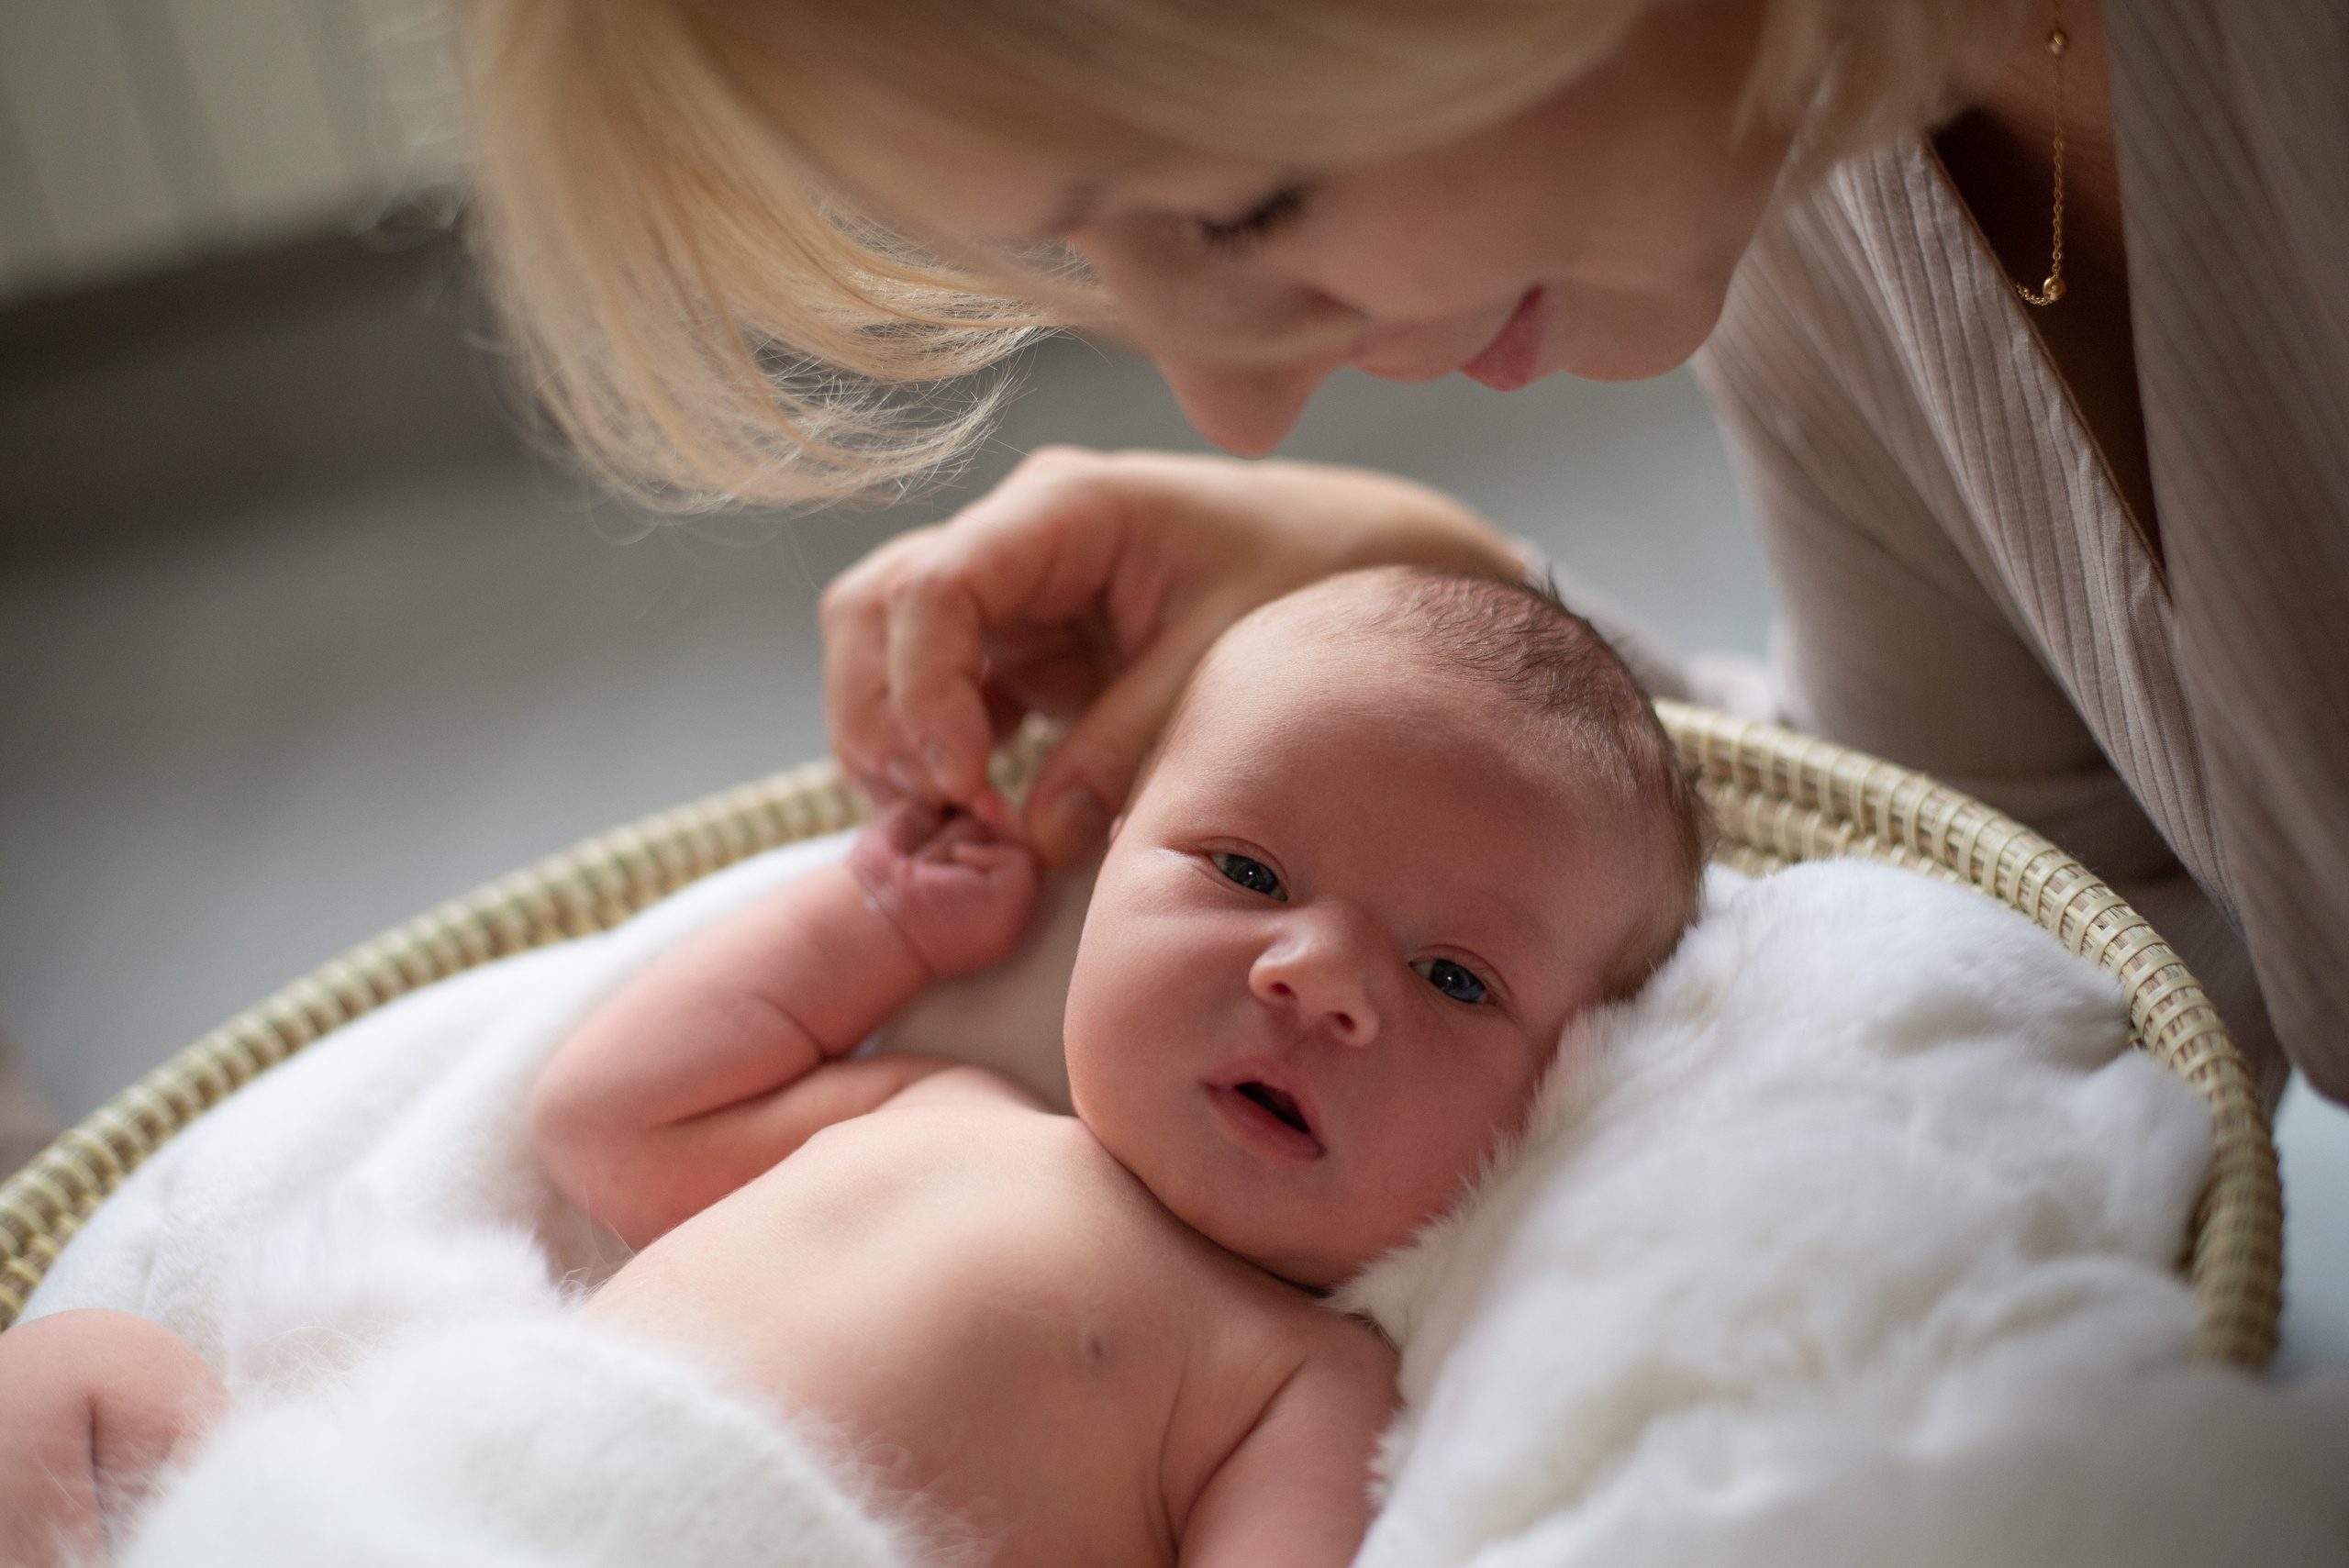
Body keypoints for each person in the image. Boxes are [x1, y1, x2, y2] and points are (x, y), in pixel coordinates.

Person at [455, 0, 2345, 1109]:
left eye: (1243, 202)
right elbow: (2026, 914)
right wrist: (1430, 619)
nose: (1231, 408)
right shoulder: (1809, 126)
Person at [0, 569, 1705, 1568]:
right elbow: (610, 1120)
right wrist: (873, 921)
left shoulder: (1298, 1377)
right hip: (394, 1494)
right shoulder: (944, 1105)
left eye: (1457, 976)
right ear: (1102, 863)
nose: (1315, 975)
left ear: (1565, 1085)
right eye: (1248, 872)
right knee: (80, 1365)